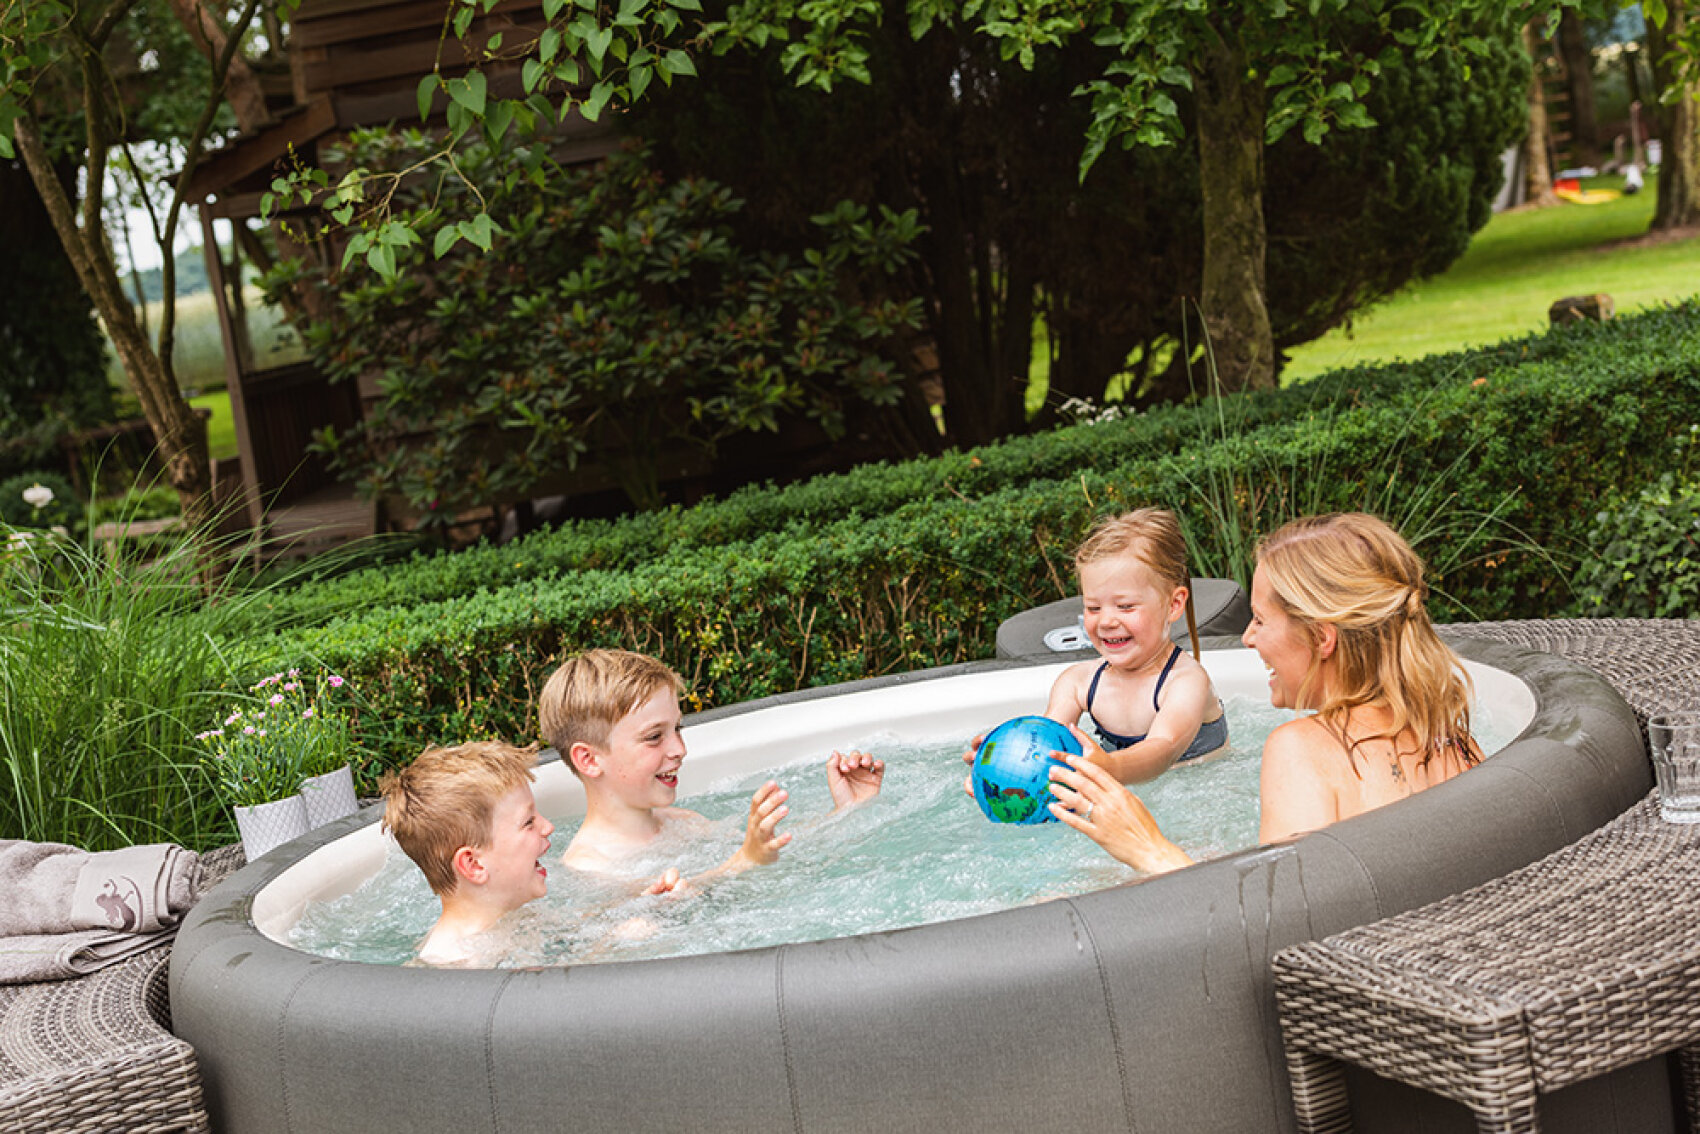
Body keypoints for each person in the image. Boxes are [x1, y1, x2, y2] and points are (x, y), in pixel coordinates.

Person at [1047, 512, 1482, 874]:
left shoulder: (1303, 748)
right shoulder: (1449, 734)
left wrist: (1147, 847)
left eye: (1259, 619)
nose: (1247, 638)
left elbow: (1276, 928)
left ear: (1321, 638)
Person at [539, 648, 885, 878]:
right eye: (654, 736)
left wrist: (846, 812)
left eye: (678, 728)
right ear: (588, 759)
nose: (680, 749)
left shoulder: (683, 822)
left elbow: (768, 850)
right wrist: (743, 862)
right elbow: (655, 914)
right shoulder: (589, 866)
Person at [379, 740, 556, 966]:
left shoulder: (514, 916)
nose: (548, 826)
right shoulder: (455, 966)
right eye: (528, 822)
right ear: (473, 864)